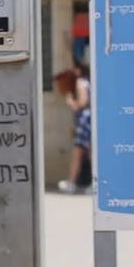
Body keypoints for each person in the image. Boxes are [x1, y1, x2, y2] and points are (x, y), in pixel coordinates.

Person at [58, 63, 92, 194]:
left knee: (79, 153)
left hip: (84, 119)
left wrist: (71, 102)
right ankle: (94, 184)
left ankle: (71, 182)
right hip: (88, 119)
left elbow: (83, 102)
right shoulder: (88, 81)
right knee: (90, 152)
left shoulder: (80, 82)